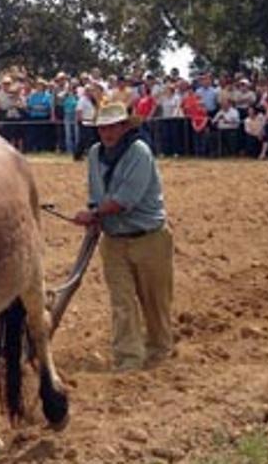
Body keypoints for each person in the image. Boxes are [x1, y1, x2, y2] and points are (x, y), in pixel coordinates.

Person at [73, 102, 174, 373]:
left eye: (112, 127)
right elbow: (96, 192)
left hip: (149, 238)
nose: (107, 132)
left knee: (155, 301)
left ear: (124, 127)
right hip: (114, 240)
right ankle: (128, 358)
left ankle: (159, 349)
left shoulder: (139, 152)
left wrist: (93, 213)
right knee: (122, 302)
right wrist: (94, 215)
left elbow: (125, 200)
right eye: (102, 128)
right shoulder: (95, 154)